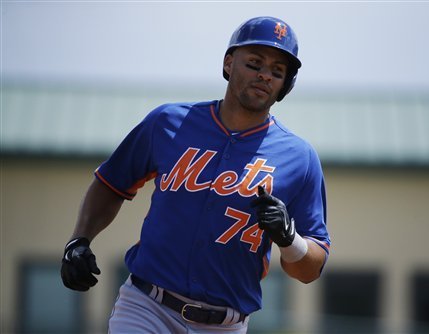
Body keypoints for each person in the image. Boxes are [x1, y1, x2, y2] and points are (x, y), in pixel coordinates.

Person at [61, 16, 331, 333]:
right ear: (229, 63)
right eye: (255, 63)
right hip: (147, 307)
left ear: (286, 85)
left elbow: (311, 267)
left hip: (225, 324)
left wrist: (290, 239)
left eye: (277, 71)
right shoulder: (168, 122)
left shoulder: (300, 157)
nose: (264, 76)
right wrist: (79, 239)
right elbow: (111, 183)